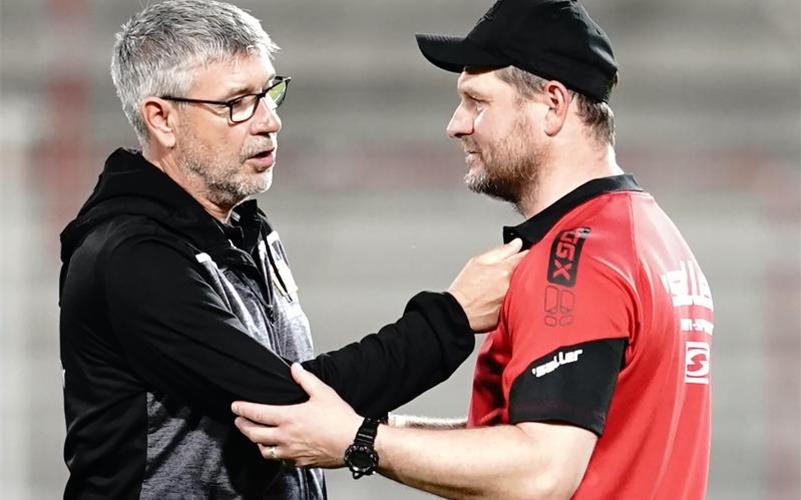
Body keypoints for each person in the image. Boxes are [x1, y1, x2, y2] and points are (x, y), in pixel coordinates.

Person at [232, 0, 715, 498]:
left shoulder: (577, 255)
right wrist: (356, 426)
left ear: (552, 104)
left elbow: (541, 471)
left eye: (477, 101)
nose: (456, 124)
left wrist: (359, 441)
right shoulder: (652, 236)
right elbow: (537, 438)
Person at [58, 1, 527, 499]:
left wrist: (482, 445)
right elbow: (290, 406)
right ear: (162, 120)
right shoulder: (129, 257)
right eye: (236, 103)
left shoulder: (243, 230)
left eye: (269, 93)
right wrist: (451, 318)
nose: (270, 121)